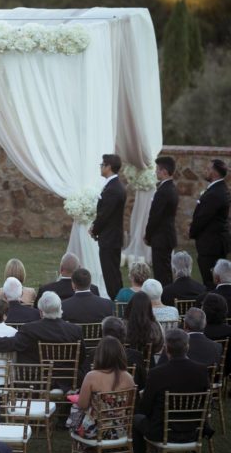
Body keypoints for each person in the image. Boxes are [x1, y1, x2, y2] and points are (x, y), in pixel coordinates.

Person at [132, 329, 210, 453]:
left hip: (161, 431)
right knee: (193, 415)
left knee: (136, 419)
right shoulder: (201, 370)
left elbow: (146, 408)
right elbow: (204, 405)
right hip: (193, 430)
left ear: (166, 348)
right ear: (187, 347)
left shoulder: (157, 373)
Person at [70, 337, 136, 453]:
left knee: (75, 411)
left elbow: (82, 404)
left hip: (96, 430)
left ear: (100, 354)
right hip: (120, 431)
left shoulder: (92, 376)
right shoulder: (129, 378)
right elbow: (129, 407)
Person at [0, 291, 85, 366]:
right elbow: (82, 360)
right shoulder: (75, 331)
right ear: (60, 308)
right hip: (69, 381)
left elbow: (10, 344)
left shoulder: (30, 329)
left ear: (40, 312)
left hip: (38, 380)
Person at [190, 159, 231, 288]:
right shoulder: (218, 189)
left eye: (207, 169)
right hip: (213, 243)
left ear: (214, 173)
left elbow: (202, 218)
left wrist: (192, 232)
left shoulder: (215, 193)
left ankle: (213, 306)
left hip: (211, 245)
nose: (205, 171)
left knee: (211, 282)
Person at [91, 154, 127, 297]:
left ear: (109, 167)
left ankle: (117, 304)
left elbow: (105, 215)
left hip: (110, 238)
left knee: (111, 275)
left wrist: (94, 229)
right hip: (111, 237)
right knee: (113, 274)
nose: (100, 167)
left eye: (102, 165)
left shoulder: (113, 189)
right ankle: (119, 302)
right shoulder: (114, 185)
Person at [81, 316, 145, 388]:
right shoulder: (137, 356)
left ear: (104, 335)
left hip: (100, 397)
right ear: (124, 335)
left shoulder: (94, 354)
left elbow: (84, 381)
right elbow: (142, 385)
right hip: (129, 397)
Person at [145, 156, 179, 286]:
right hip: (166, 236)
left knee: (161, 273)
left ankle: (164, 300)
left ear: (164, 171)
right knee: (164, 271)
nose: (156, 172)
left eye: (157, 170)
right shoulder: (170, 188)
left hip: (161, 238)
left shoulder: (163, 191)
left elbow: (155, 217)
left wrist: (148, 236)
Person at [35, 252, 100, 305]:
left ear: (61, 269)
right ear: (79, 268)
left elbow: (37, 312)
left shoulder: (46, 290)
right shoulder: (93, 289)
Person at [123, 292, 164, 364]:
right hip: (148, 365)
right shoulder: (154, 326)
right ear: (148, 307)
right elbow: (159, 347)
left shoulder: (122, 325)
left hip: (126, 364)